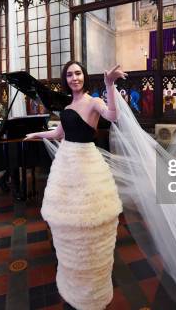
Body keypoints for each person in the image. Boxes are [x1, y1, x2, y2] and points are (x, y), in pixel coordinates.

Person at [25, 61, 126, 309]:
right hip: (66, 164)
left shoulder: (93, 102)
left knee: (91, 218)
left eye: (78, 73)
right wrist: (37, 134)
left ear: (84, 76)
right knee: (67, 219)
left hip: (87, 163)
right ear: (65, 79)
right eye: (69, 75)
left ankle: (93, 283)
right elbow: (59, 134)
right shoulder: (68, 105)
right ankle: (73, 276)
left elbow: (113, 116)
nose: (74, 78)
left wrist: (109, 85)